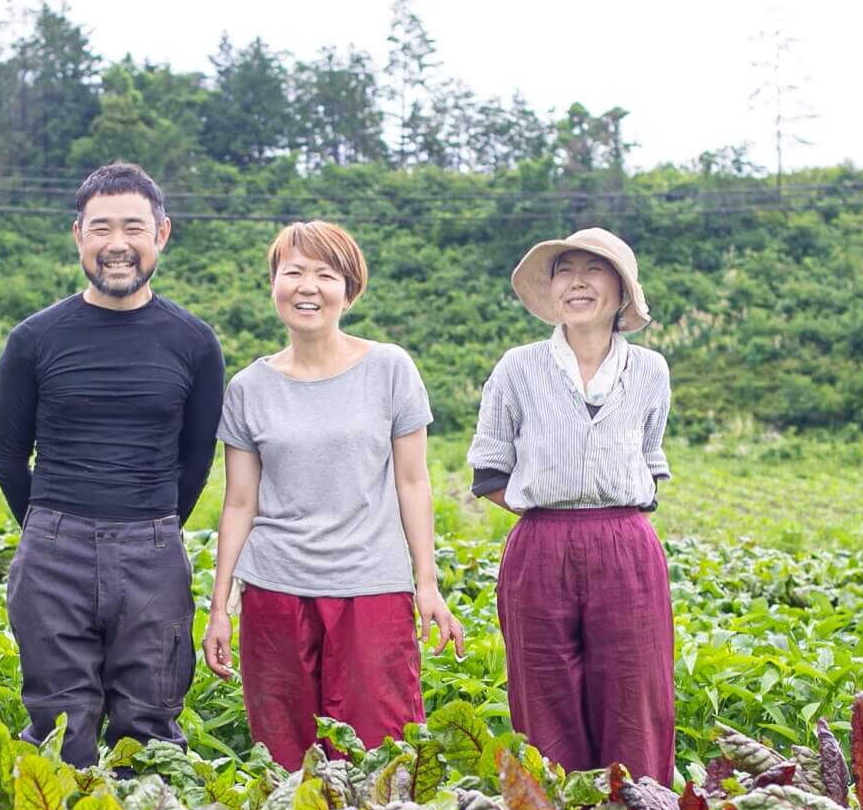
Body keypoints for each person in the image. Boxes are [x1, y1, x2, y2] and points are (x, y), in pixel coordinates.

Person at [201, 220, 464, 767]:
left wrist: (427, 583)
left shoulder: (389, 368)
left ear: (349, 289)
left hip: (372, 590)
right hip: (275, 592)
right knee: (283, 758)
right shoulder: (249, 388)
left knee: (378, 755)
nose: (307, 286)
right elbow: (239, 503)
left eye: (325, 274)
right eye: (292, 272)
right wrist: (221, 605)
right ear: (273, 283)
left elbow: (412, 481)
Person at [0, 163, 226, 767]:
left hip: (153, 551)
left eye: (133, 227)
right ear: (78, 235)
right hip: (52, 549)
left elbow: (195, 460)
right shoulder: (34, 338)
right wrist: (50, 528)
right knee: (58, 728)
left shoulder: (195, 343)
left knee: (148, 731)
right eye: (101, 228)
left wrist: (149, 528)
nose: (116, 244)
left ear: (162, 234)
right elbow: (9, 459)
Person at [466, 228, 676, 781]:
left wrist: (608, 518)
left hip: (626, 545)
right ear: (552, 289)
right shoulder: (518, 367)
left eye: (595, 269)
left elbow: (651, 459)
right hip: (540, 543)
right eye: (565, 269)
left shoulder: (651, 371)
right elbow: (489, 468)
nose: (578, 281)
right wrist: (551, 512)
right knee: (543, 693)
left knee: (636, 693)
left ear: (622, 290)